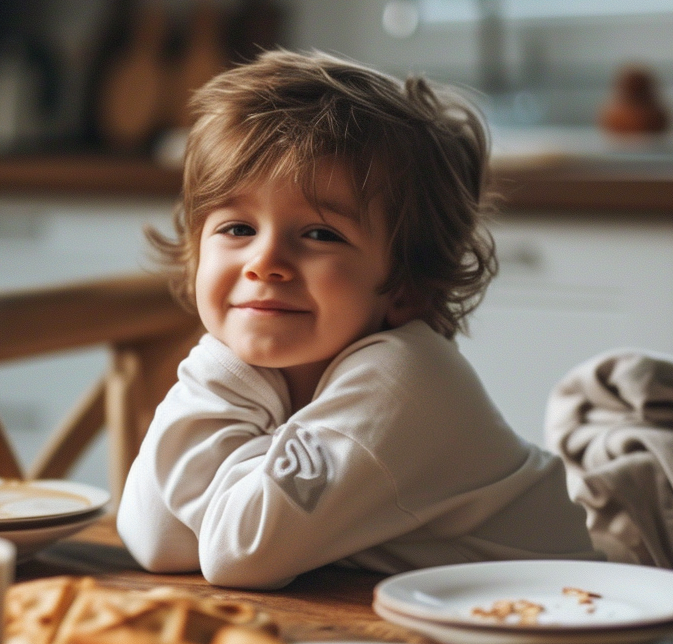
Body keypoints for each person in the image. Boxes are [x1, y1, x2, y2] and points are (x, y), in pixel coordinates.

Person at [118, 50, 593, 588]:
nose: (265, 263)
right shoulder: (264, 370)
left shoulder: (404, 379)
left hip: (559, 614)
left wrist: (221, 369)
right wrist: (225, 361)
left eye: (320, 234)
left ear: (408, 287)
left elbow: (237, 554)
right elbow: (156, 538)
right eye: (236, 229)